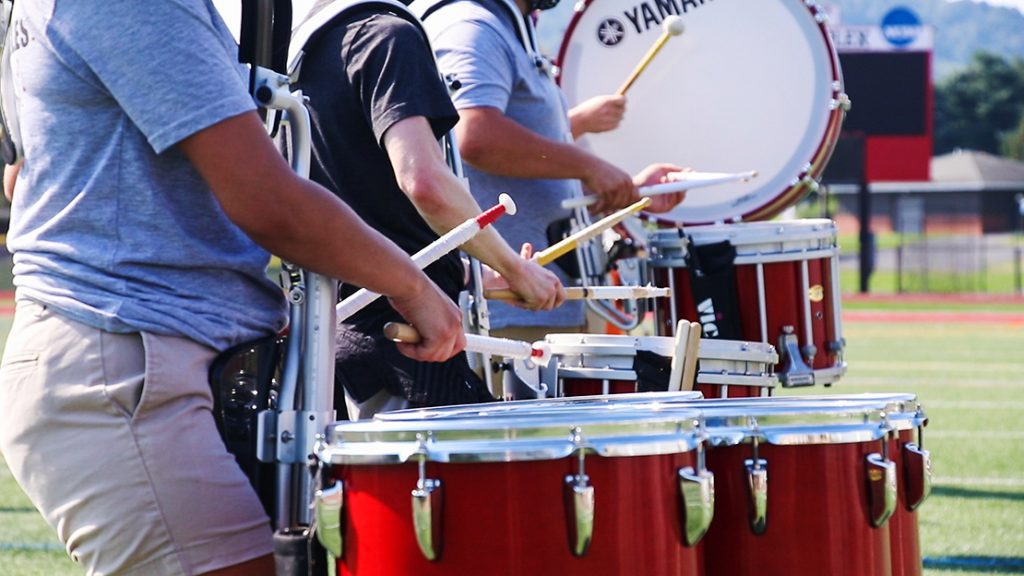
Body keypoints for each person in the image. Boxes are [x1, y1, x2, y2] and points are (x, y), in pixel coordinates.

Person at [0, 1, 465, 575]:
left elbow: (21, 177)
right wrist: (411, 287)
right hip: (124, 359)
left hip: (136, 353)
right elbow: (267, 202)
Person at [290, 0, 564, 420]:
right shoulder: (387, 37)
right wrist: (515, 268)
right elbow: (424, 183)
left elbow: (366, 202)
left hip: (342, 341)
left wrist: (473, 271)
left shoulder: (308, 50)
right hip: (408, 341)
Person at [415, 0, 687, 347]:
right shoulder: (472, 28)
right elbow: (474, 135)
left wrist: (629, 192)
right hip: (508, 315)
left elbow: (530, 182)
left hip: (542, 306)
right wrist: (590, 166)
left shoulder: (507, 26)